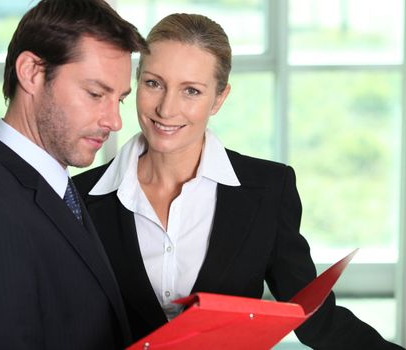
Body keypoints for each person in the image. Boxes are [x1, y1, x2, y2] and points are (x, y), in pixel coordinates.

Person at [73, 13, 404, 349]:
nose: (166, 108)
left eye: (191, 91)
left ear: (219, 98)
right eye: (154, 83)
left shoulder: (269, 191)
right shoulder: (80, 199)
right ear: (137, 81)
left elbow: (316, 321)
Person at [0, 1, 147, 349]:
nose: (114, 121)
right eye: (95, 93)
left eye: (119, 99)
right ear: (31, 72)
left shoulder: (53, 188)